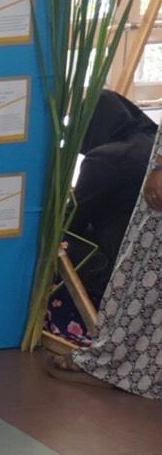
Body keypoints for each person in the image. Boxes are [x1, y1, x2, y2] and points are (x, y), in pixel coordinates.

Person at [52, 122, 161, 398]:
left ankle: (116, 364)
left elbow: (74, 218)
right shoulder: (136, 144)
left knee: (147, 279)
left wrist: (159, 166)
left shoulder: (108, 158)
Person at [69, 91, 160, 305]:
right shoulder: (153, 147)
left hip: (116, 267)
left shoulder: (106, 158)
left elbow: (73, 220)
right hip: (149, 265)